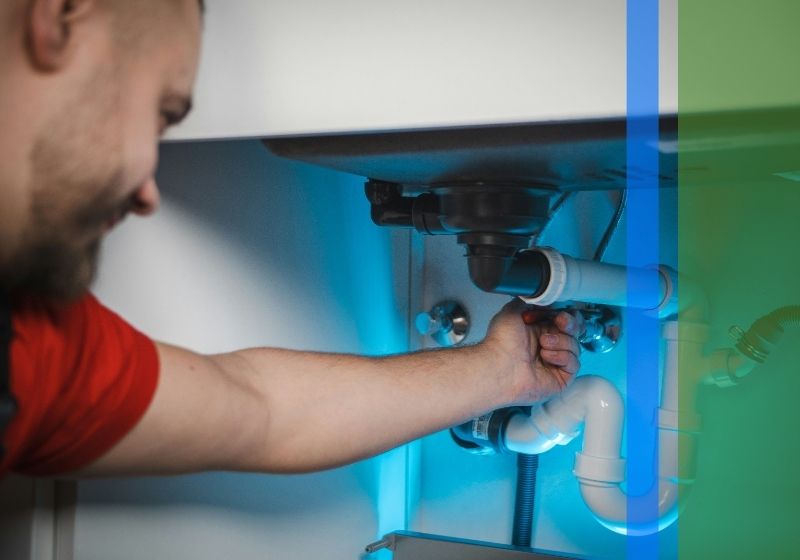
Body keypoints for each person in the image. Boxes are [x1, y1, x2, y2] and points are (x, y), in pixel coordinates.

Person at [0, 0, 581, 478]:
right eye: (157, 112)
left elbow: (261, 410)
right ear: (62, 15)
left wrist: (498, 371)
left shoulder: (34, 349)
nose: (146, 193)